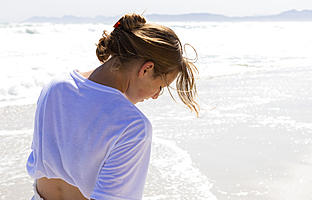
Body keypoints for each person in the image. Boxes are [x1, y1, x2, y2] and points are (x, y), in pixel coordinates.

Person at [26, 13, 199, 200]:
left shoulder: (56, 86)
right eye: (160, 86)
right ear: (146, 69)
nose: (156, 96)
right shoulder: (132, 125)